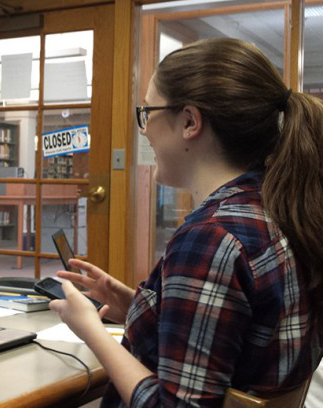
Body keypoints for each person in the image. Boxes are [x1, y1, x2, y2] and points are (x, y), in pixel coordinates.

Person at [50, 38, 323, 406]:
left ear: (190, 121)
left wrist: (91, 330)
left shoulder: (212, 238)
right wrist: (137, 306)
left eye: (147, 112)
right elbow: (231, 332)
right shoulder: (281, 210)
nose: (144, 129)